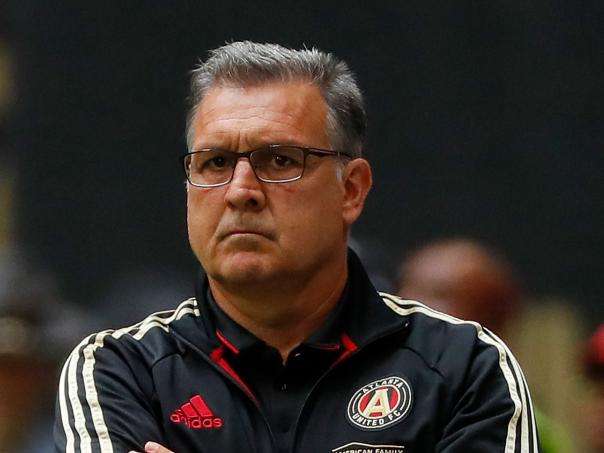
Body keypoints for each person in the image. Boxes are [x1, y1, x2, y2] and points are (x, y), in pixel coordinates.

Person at [54, 41, 538, 453]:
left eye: (280, 160)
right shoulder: (120, 370)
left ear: (351, 190)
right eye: (215, 162)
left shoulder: (465, 366)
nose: (240, 190)